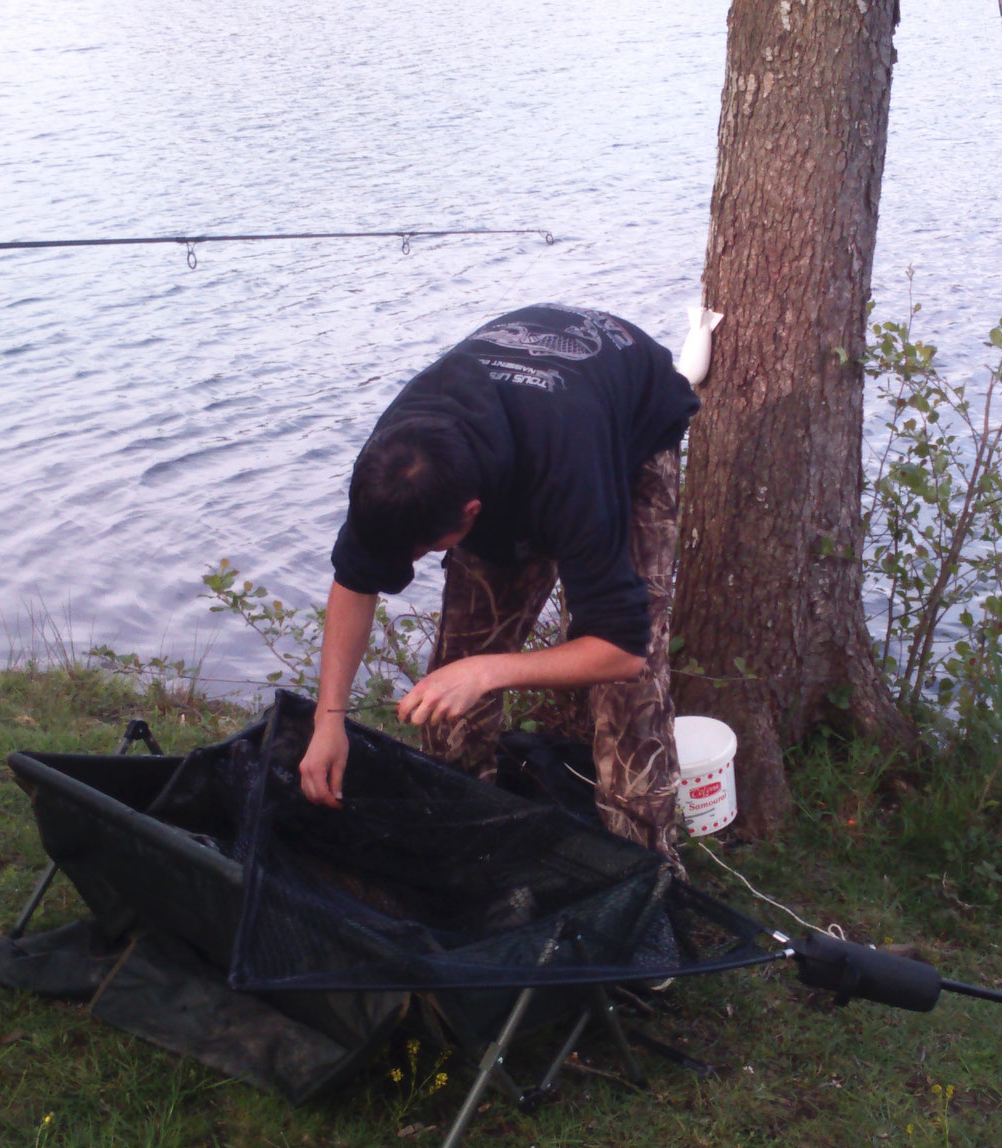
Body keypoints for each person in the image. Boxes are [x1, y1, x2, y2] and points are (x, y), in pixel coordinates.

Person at [299, 302, 720, 863]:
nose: (416, 560)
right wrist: (329, 722)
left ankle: (645, 871)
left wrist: (491, 671)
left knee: (628, 698)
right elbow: (354, 583)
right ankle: (465, 844)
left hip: (627, 431)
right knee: (450, 688)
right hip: (518, 433)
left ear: (471, 514)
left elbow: (622, 653)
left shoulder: (569, 473)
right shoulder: (396, 465)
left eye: (428, 549)